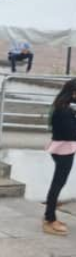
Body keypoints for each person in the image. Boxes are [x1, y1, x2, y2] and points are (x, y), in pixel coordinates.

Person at [43, 80, 76, 237]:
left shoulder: (62, 107)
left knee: (58, 183)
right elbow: (70, 134)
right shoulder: (64, 111)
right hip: (64, 150)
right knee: (58, 184)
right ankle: (50, 219)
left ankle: (50, 217)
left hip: (62, 149)